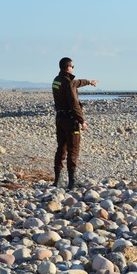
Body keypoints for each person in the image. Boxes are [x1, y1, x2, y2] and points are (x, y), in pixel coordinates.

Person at [52, 57, 98, 189]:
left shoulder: (57, 80)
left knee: (61, 148)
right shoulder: (68, 83)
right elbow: (74, 104)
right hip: (70, 120)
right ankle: (72, 181)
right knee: (73, 149)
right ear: (68, 67)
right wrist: (82, 121)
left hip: (59, 119)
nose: (73, 68)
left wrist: (89, 82)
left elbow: (76, 83)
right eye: (73, 66)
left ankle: (58, 180)